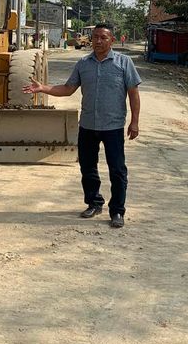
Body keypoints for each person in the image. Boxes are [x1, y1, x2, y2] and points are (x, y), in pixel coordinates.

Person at [23, 22, 141, 228]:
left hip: (113, 127)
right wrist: (43, 88)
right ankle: (94, 203)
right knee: (87, 167)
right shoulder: (83, 64)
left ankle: (117, 211)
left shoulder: (124, 63)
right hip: (88, 126)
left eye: (103, 37)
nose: (98, 41)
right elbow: (68, 89)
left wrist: (135, 122)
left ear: (112, 40)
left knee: (117, 170)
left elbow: (133, 93)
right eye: (95, 37)